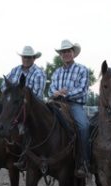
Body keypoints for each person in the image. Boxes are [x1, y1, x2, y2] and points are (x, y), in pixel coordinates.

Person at [48, 39, 90, 178]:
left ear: (73, 53)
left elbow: (82, 90)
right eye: (63, 52)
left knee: (83, 126)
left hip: (74, 104)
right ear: (60, 55)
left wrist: (66, 94)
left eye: (68, 51)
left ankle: (84, 161)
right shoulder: (56, 72)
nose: (66, 54)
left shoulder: (82, 69)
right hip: (56, 103)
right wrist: (57, 93)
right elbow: (51, 89)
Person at [1, 45, 46, 169]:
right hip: (15, 105)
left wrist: (17, 93)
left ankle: (25, 156)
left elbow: (37, 94)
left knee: (27, 128)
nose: (26, 59)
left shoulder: (39, 73)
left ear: (33, 58)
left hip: (31, 108)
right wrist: (13, 93)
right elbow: (3, 86)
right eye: (24, 57)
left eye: (29, 57)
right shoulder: (15, 70)